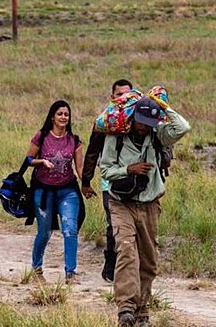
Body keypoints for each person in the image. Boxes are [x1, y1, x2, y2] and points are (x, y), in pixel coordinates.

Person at [100, 97, 190, 327]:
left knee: (148, 260)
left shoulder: (158, 135)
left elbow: (182, 127)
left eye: (148, 122)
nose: (143, 126)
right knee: (127, 251)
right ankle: (126, 308)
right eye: (140, 121)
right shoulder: (116, 138)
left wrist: (166, 107)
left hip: (150, 203)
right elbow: (106, 170)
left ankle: (142, 308)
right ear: (132, 118)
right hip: (121, 203)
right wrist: (128, 169)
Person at [26, 100, 85, 285]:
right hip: (43, 191)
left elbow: (80, 168)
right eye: (60, 114)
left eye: (66, 114)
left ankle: (71, 273)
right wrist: (41, 161)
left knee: (70, 230)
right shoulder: (41, 137)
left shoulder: (74, 140)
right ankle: (36, 270)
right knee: (44, 232)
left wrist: (88, 185)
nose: (63, 117)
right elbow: (28, 159)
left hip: (68, 191)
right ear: (52, 116)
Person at [82, 78, 133, 283]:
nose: (123, 98)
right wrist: (86, 181)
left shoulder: (138, 118)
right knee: (114, 224)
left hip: (135, 179)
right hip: (110, 181)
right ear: (112, 97)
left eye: (127, 94)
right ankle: (111, 262)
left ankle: (127, 265)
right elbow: (93, 151)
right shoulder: (106, 121)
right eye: (119, 94)